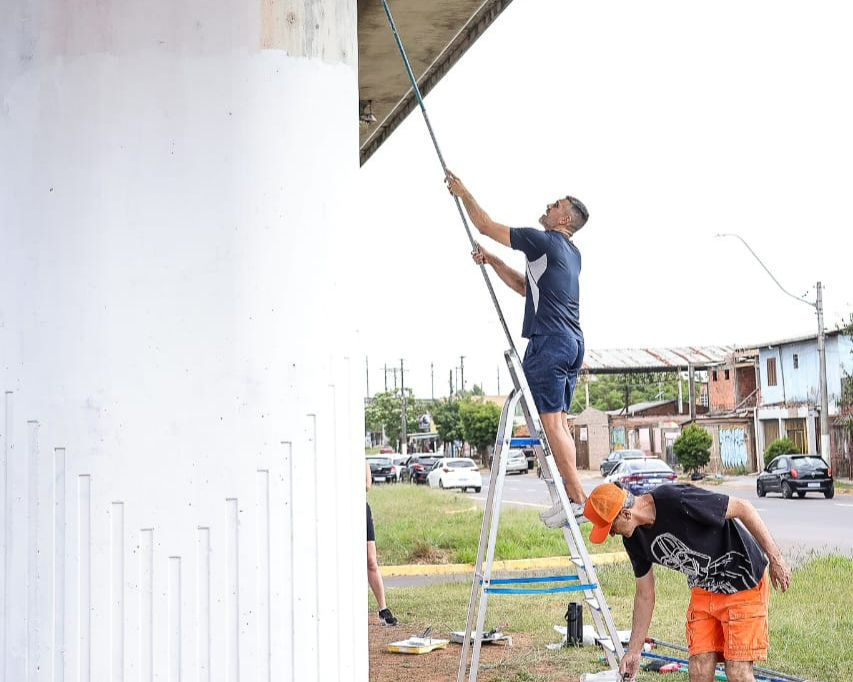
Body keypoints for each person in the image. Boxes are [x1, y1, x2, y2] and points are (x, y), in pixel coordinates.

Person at [445, 170, 588, 525]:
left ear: (564, 219)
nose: (547, 206)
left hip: (550, 343)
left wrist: (463, 192)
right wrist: (492, 261)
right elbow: (527, 288)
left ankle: (578, 500)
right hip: (572, 343)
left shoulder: (542, 240)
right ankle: (573, 497)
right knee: (560, 423)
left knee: (551, 424)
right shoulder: (572, 254)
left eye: (554, 205)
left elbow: (485, 225)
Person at [583, 482, 792, 682]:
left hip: (742, 582)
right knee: (699, 669)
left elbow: (743, 507)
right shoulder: (633, 539)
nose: (611, 534)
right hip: (704, 588)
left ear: (626, 514)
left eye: (611, 527)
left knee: (737, 672)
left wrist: (776, 558)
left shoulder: (676, 500)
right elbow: (644, 594)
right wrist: (634, 651)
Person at [366, 461, 398, 626]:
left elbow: (366, 485)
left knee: (371, 561)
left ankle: (383, 609)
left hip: (361, 510)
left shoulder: (361, 460)